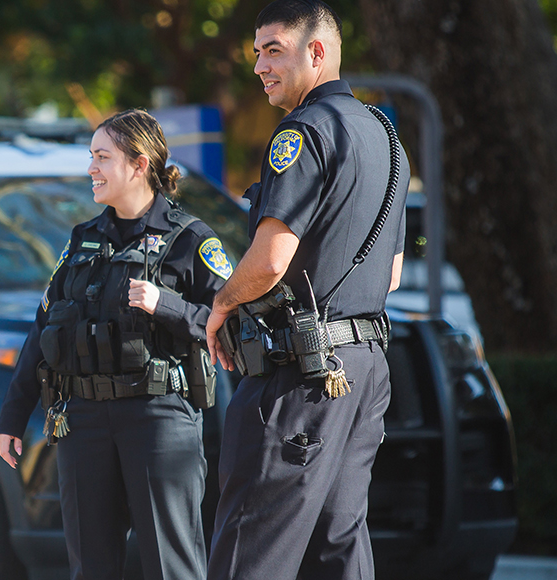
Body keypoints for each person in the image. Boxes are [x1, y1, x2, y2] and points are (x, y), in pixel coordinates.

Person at [202, 1, 409, 579]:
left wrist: (221, 303)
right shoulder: (387, 139)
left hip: (301, 374)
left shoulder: (302, 131)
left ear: (316, 52)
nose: (260, 67)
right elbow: (391, 274)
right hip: (364, 370)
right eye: (256, 54)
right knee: (336, 545)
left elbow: (269, 261)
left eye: (274, 50)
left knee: (253, 544)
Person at [0, 109, 232, 580]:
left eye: (103, 157)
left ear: (139, 164)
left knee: (172, 566)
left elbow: (230, 327)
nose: (92, 168)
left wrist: (166, 305)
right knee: (91, 567)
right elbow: (43, 328)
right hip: (82, 423)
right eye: (91, 156)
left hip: (159, 420)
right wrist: (13, 415)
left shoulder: (192, 241)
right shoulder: (82, 240)